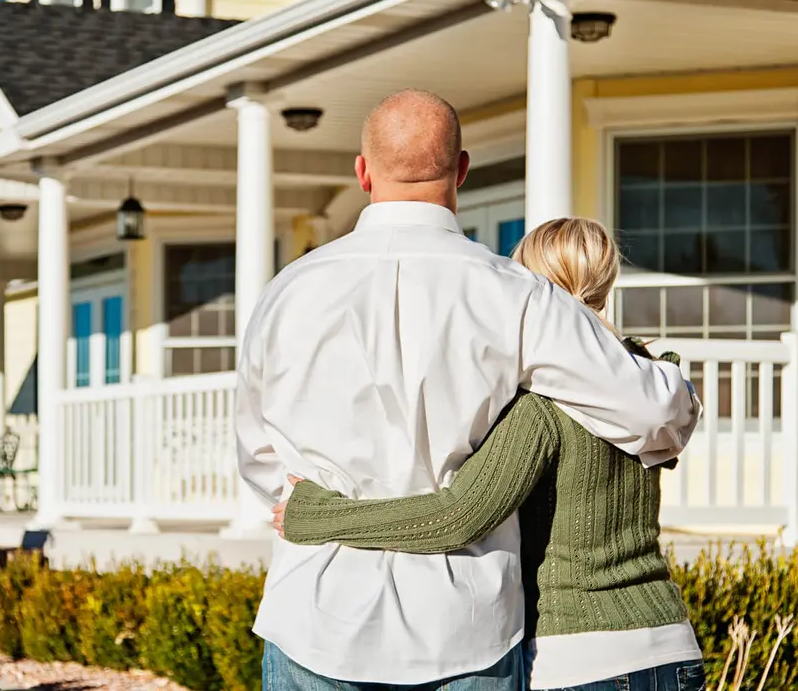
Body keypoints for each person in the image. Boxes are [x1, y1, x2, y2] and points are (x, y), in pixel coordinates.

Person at [235, 89, 700, 691]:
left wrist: (323, 509)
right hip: (463, 625)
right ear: (461, 170)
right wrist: (667, 376)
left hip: (314, 615)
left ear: (363, 171)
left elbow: (260, 461)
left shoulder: (284, 294)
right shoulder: (516, 294)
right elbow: (653, 412)